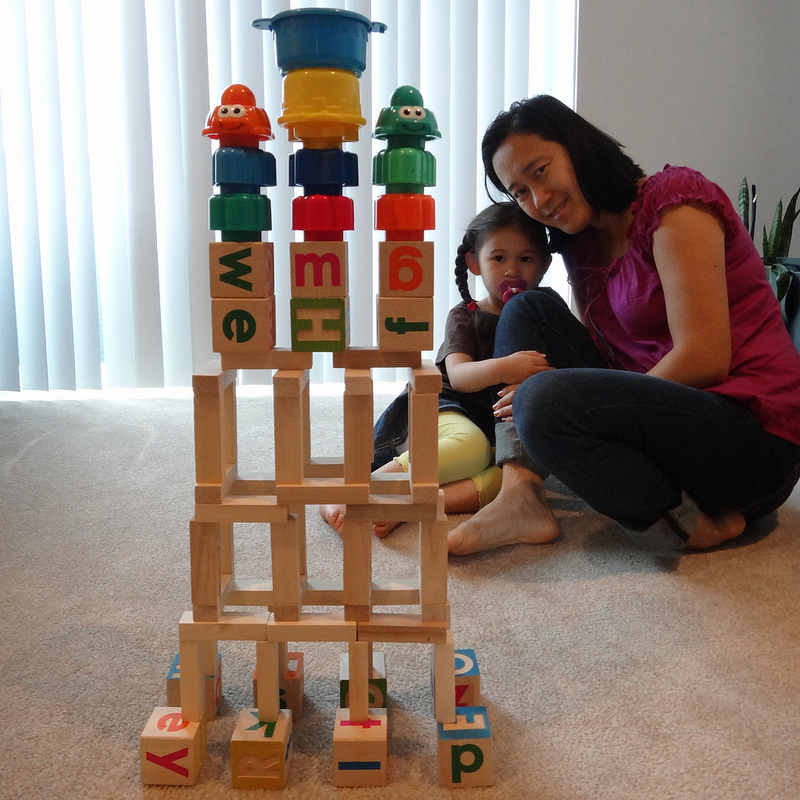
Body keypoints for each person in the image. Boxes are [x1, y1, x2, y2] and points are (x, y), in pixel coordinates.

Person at [447, 94, 800, 555]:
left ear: (577, 146)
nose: (539, 200)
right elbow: (604, 357)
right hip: (664, 420)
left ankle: (688, 525)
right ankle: (520, 494)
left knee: (543, 398)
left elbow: (705, 358)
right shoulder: (580, 243)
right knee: (528, 307)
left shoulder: (674, 201)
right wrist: (587, 403)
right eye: (520, 192)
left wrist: (584, 406)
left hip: (751, 436)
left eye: (541, 171)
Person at [320, 202, 556, 536]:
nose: (512, 270)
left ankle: (407, 505)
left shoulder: (546, 313)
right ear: (474, 263)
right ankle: (356, 487)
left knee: (512, 479)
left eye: (526, 259)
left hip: (492, 428)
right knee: (472, 448)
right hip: (446, 408)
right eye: (499, 258)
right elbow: (459, 376)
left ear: (544, 265)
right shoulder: (465, 315)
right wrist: (507, 367)